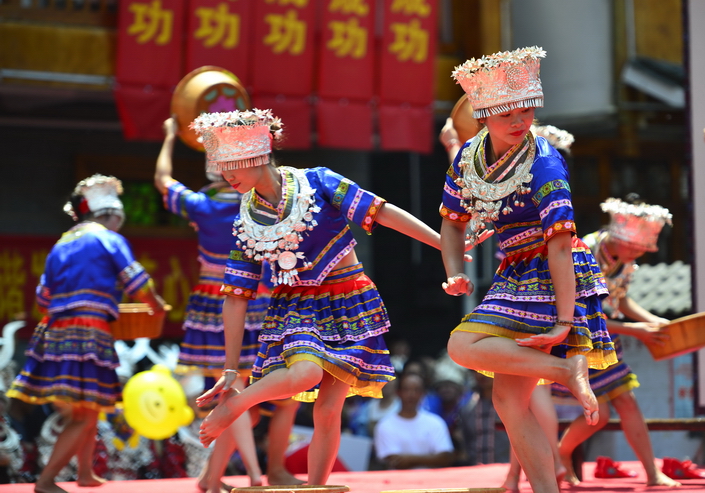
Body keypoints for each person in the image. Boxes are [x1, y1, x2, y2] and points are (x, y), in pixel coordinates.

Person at [191, 108, 476, 485]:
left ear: (258, 155)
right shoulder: (246, 218)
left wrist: (443, 244)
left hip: (349, 299)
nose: (226, 174)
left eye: (232, 164)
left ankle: (315, 488)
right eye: (220, 165)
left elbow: (381, 212)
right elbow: (237, 295)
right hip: (295, 304)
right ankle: (237, 403)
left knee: (328, 409)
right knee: (304, 372)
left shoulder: (317, 182)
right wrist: (230, 371)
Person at [439, 46, 617, 493]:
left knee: (461, 345)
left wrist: (564, 320)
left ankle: (564, 371)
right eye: (507, 115)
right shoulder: (467, 159)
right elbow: (451, 220)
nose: (520, 122)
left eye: (526, 111)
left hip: (551, 268)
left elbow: (559, 248)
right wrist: (452, 270)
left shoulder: (544, 161)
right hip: (514, 271)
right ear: (482, 116)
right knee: (507, 401)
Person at [155, 117, 301, 490]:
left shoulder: (201, 206)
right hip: (264, 298)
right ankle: (259, 473)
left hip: (214, 301)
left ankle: (216, 477)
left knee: (236, 400)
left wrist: (171, 138)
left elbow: (163, 181)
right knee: (273, 399)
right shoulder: (264, 201)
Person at [6, 174, 168, 493]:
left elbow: (43, 298)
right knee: (84, 412)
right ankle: (46, 480)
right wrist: (158, 305)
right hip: (88, 331)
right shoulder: (108, 239)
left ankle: (84, 472)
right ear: (110, 215)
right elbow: (137, 283)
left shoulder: (61, 243)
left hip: (54, 331)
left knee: (88, 408)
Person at [549, 194, 681, 487]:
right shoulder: (585, 251)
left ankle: (652, 472)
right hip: (576, 334)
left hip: (603, 335)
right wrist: (639, 330)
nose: (638, 253)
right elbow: (584, 312)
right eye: (634, 246)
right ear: (618, 237)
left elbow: (619, 301)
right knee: (603, 411)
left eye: (642, 248)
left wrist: (653, 321)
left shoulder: (621, 259)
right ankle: (559, 454)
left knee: (625, 402)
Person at [373, 371, 455, 469]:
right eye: (406, 390)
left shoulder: (436, 422)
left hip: (431, 483)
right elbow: (395, 462)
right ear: (398, 392)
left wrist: (409, 459)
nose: (411, 395)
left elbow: (445, 458)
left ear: (423, 394)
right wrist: (431, 459)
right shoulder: (385, 425)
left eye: (416, 390)